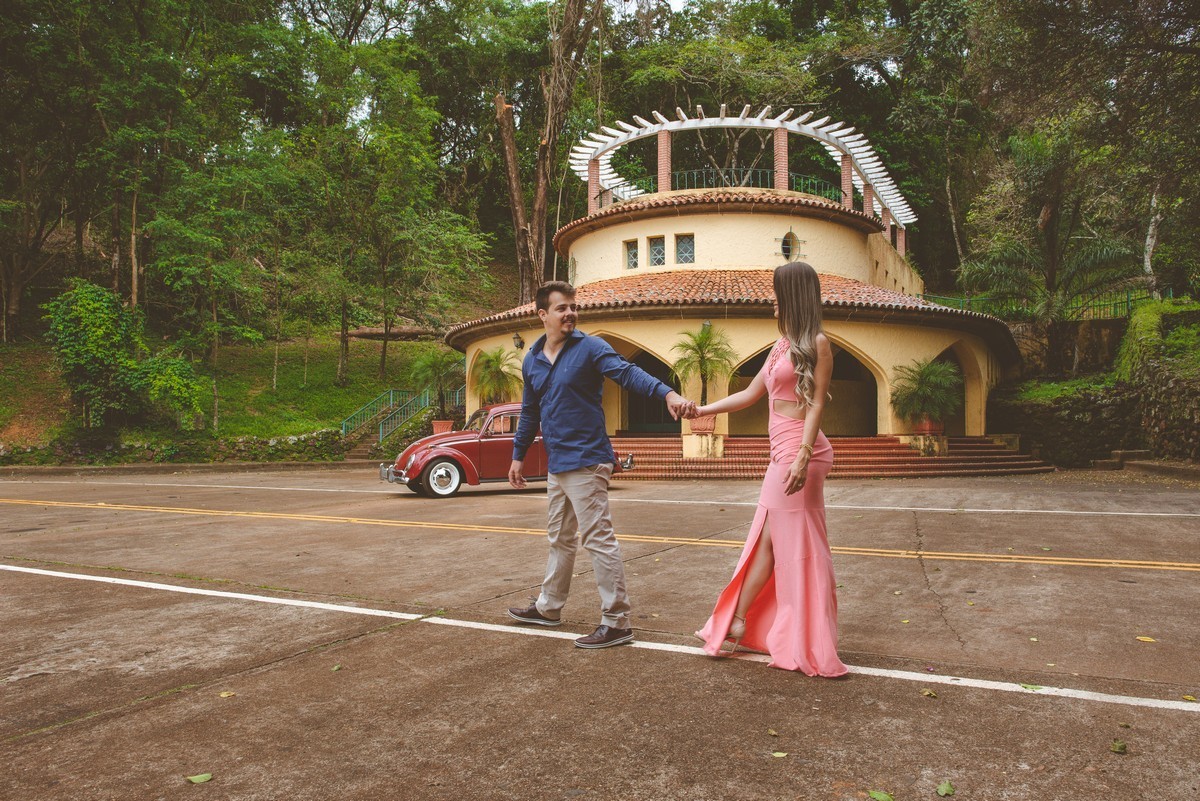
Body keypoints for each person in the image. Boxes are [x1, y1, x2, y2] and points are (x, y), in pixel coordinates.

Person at [507, 281, 695, 649]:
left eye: (573, 307)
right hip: (558, 462)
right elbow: (530, 411)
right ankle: (549, 607)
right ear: (543, 315)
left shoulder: (591, 347)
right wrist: (518, 455)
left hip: (588, 459)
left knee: (597, 539)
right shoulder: (531, 359)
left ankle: (617, 622)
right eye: (562, 308)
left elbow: (628, 374)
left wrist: (667, 393)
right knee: (559, 539)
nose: (571, 313)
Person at [689, 262, 849, 677]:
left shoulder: (818, 343)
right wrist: (702, 410)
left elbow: (815, 404)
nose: (772, 301)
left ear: (794, 295)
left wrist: (801, 454)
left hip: (803, 455)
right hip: (780, 452)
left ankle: (791, 632)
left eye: (778, 293)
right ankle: (739, 620)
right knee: (766, 540)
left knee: (794, 546)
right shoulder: (781, 345)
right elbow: (748, 394)